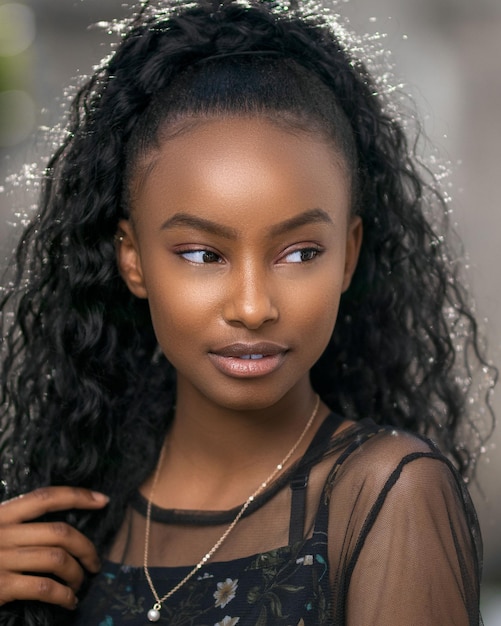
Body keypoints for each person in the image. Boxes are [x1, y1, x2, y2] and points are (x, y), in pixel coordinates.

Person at [0, 0, 495, 624]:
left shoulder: (385, 498)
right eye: (204, 254)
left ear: (348, 256)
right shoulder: (77, 517)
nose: (254, 307)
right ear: (132, 260)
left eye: (299, 252)